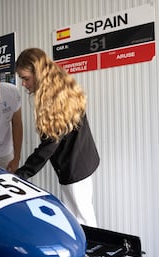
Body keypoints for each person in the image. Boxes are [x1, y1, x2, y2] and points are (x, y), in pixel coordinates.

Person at [14, 48, 100, 228]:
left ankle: (89, 255)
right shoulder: (62, 85)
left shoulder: (52, 99)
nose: (23, 84)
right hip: (82, 160)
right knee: (78, 214)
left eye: (25, 78)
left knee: (82, 219)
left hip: (76, 166)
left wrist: (22, 174)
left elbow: (49, 145)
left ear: (38, 74)